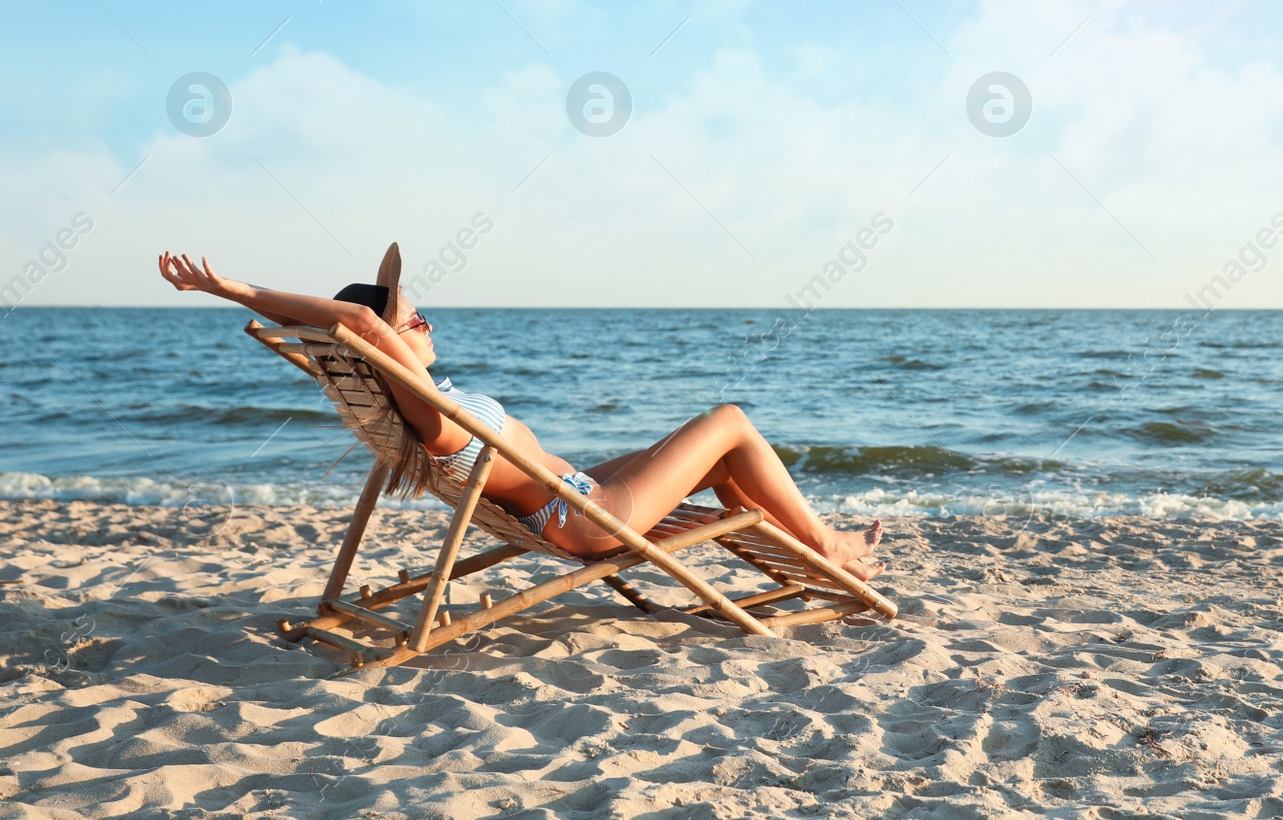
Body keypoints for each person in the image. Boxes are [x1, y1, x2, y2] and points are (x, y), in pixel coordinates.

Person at [156, 247, 882, 579]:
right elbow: (358, 318)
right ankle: (830, 544)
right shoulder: (433, 415)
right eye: (417, 317)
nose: (428, 323)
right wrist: (232, 287)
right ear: (389, 336)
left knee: (716, 456)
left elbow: (366, 324)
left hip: (580, 495)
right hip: (590, 516)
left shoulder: (423, 410)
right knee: (728, 417)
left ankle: (816, 544)